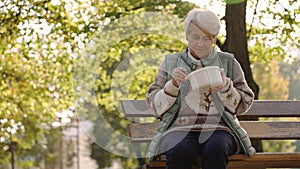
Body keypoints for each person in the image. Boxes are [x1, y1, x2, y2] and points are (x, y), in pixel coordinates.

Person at [146, 8, 255, 169]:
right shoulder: (171, 63)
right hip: (179, 127)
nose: (200, 43)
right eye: (195, 37)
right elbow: (153, 105)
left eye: (207, 38)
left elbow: (245, 102)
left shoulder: (228, 62)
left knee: (216, 148)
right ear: (186, 36)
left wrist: (226, 88)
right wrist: (173, 85)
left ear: (214, 39)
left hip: (220, 128)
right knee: (180, 150)